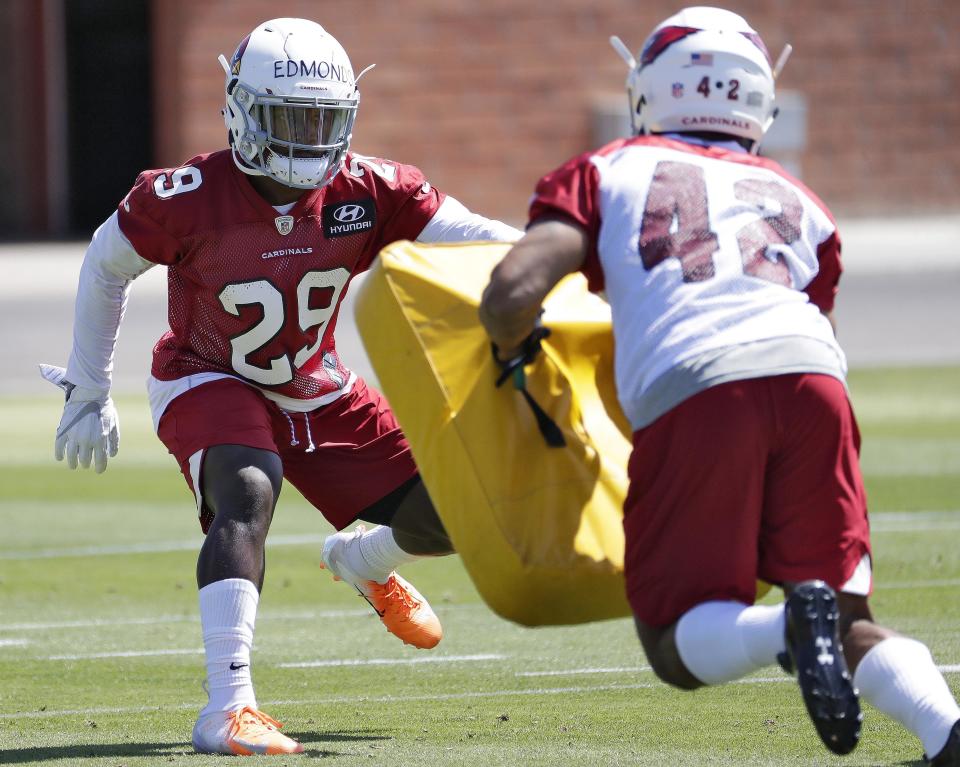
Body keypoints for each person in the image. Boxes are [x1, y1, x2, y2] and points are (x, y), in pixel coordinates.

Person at [479, 6, 960, 763]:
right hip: (813, 382)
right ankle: (946, 729)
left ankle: (781, 628)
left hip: (703, 387)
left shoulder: (609, 167)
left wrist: (509, 351)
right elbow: (808, 318)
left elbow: (512, 287)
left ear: (651, 90)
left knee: (675, 638)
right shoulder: (804, 201)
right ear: (757, 99)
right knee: (848, 610)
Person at [44, 17, 521, 756]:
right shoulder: (185, 194)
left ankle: (363, 561)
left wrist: (568, 255)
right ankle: (228, 707)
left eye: (320, 121)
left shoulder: (373, 189)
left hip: (315, 383)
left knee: (458, 514)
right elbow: (106, 265)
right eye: (288, 118)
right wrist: (88, 386)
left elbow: (479, 239)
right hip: (207, 371)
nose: (305, 138)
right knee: (249, 488)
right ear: (240, 109)